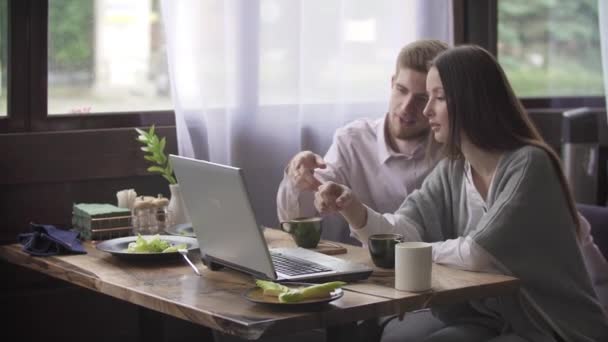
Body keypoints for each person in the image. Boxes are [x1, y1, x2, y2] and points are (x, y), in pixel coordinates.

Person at [314, 45, 608, 341]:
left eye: (438, 98)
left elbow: (479, 253)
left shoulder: (529, 163)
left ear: (473, 102)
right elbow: (400, 233)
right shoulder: (451, 171)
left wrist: (413, 251)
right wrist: (352, 207)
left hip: (549, 324)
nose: (426, 110)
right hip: (488, 317)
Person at [276, 39, 448, 244]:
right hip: (360, 268)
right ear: (392, 83)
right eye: (401, 90)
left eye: (421, 99)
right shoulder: (353, 141)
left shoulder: (451, 152)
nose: (406, 107)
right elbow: (295, 219)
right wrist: (297, 179)